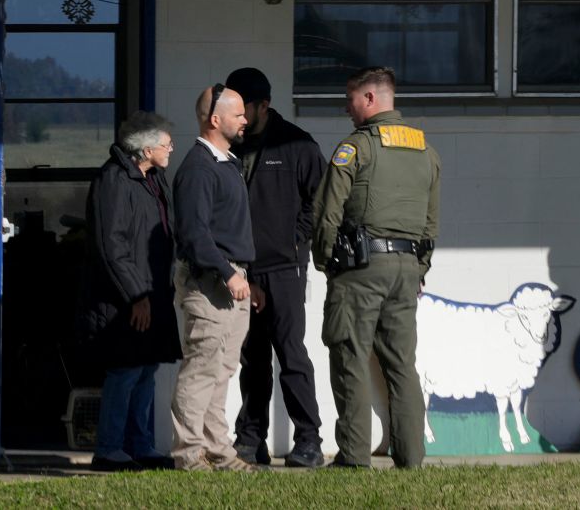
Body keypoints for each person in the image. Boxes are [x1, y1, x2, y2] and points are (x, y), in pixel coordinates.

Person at [312, 66, 441, 469]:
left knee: (350, 355)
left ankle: (353, 459)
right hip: (406, 270)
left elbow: (327, 210)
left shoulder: (357, 147)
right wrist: (419, 269)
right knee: (401, 364)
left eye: (350, 98)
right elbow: (431, 223)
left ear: (370, 98)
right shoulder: (426, 151)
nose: (346, 108)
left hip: (361, 268)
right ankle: (411, 459)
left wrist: (325, 260)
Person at [224, 67, 326, 468]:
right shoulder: (230, 146)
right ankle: (250, 439)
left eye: (243, 107)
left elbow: (320, 202)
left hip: (285, 268)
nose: (239, 117)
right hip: (242, 271)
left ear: (263, 104)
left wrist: (295, 241)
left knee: (291, 356)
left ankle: (309, 440)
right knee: (252, 358)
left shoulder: (297, 145)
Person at [80, 111, 182, 471]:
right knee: (124, 371)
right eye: (166, 141)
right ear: (146, 146)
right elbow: (112, 245)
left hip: (153, 294)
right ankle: (109, 449)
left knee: (146, 370)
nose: (171, 147)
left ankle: (140, 446)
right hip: (124, 299)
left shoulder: (152, 180)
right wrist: (137, 295)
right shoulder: (115, 180)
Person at [169, 84, 258, 472]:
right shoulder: (198, 168)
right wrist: (227, 273)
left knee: (221, 371)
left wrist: (242, 276)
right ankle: (188, 456)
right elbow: (194, 233)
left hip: (231, 280)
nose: (246, 119)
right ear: (214, 119)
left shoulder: (226, 163)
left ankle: (217, 451)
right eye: (238, 113)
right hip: (210, 283)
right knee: (201, 369)